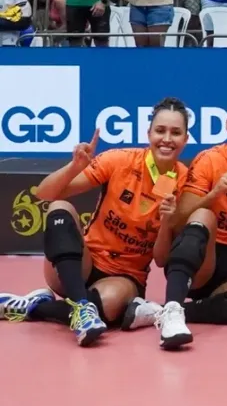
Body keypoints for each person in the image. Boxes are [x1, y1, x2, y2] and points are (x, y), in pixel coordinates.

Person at [0, 99, 190, 346]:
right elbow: (44, 194)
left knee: (109, 306)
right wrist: (75, 166)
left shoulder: (186, 182)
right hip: (83, 262)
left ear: (186, 139)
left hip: (126, 276)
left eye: (175, 133)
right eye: (160, 130)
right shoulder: (119, 160)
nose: (167, 139)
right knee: (59, 207)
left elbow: (162, 259)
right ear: (149, 133)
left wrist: (167, 222)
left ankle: (35, 307)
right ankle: (80, 305)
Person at [124, 96, 227, 347]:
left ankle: (165, 311)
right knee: (204, 215)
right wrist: (215, 194)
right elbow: (179, 220)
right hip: (202, 258)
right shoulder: (209, 159)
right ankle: (174, 306)